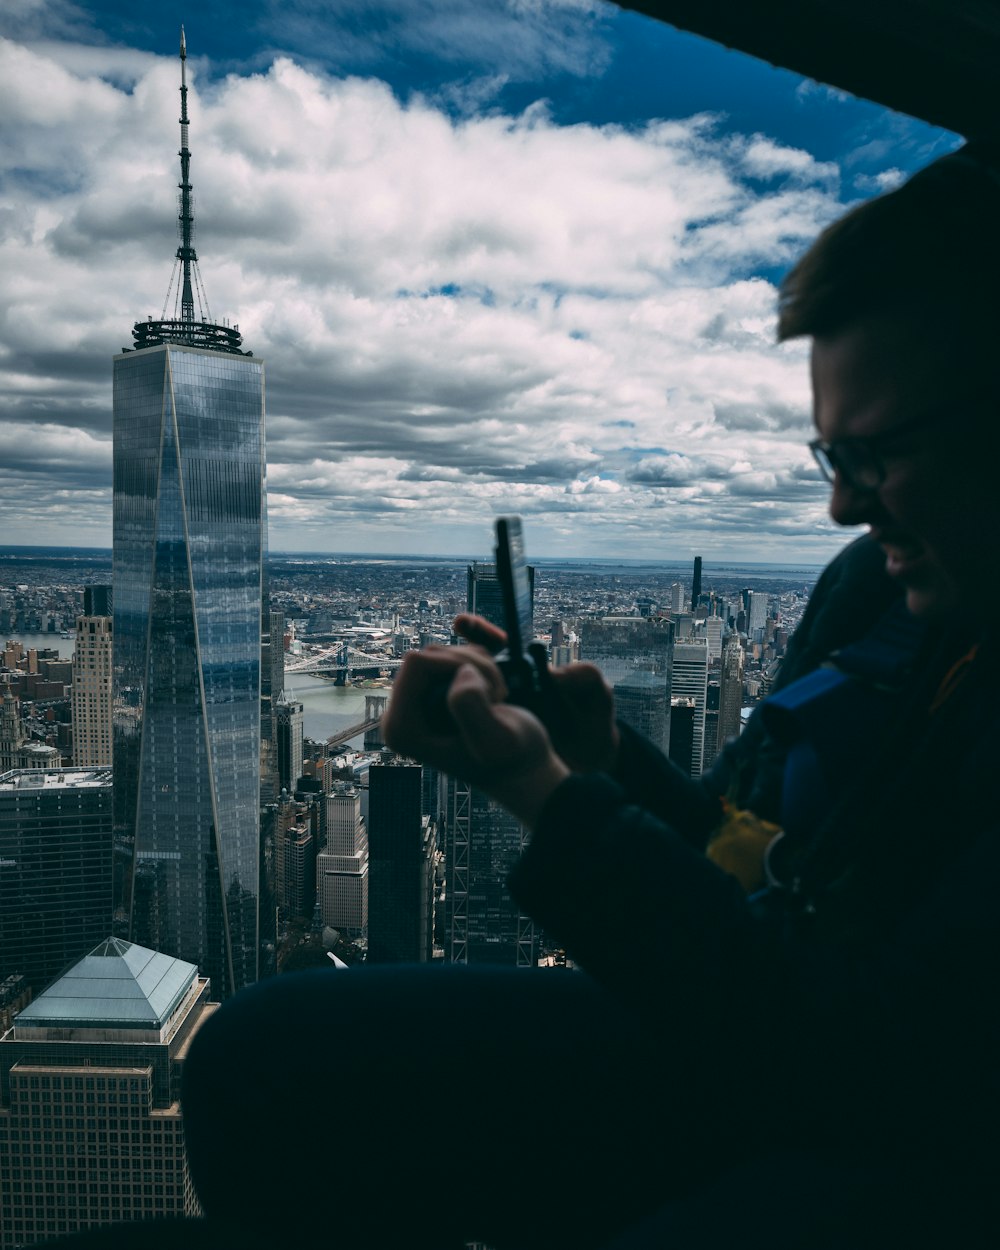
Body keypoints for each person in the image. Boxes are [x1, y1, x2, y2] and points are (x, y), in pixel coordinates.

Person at [181, 145, 1000, 1248]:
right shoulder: (881, 596)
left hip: (898, 1128)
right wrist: (604, 762)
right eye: (828, 454)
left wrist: (544, 795)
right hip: (776, 1024)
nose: (843, 505)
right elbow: (754, 856)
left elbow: (867, 1062)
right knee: (257, 1052)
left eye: (880, 452)